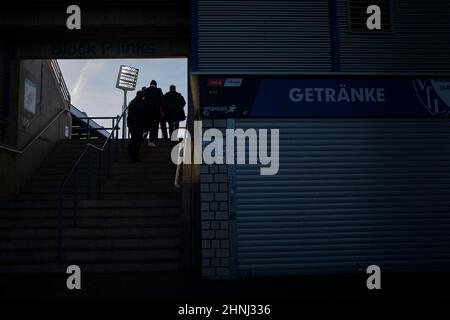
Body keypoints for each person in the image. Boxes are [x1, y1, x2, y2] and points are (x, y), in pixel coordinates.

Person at [142, 80, 164, 147]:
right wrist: (162, 110)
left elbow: (142, 100)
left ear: (150, 84)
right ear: (156, 84)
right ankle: (151, 141)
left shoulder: (146, 91)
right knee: (154, 126)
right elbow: (162, 101)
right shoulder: (158, 91)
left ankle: (145, 133)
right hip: (155, 112)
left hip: (147, 111)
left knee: (147, 124)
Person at [127, 91, 145, 162]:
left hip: (132, 124)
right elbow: (143, 115)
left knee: (133, 138)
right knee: (138, 140)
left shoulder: (132, 102)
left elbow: (129, 115)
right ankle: (135, 156)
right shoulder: (142, 104)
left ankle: (130, 150)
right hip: (139, 124)